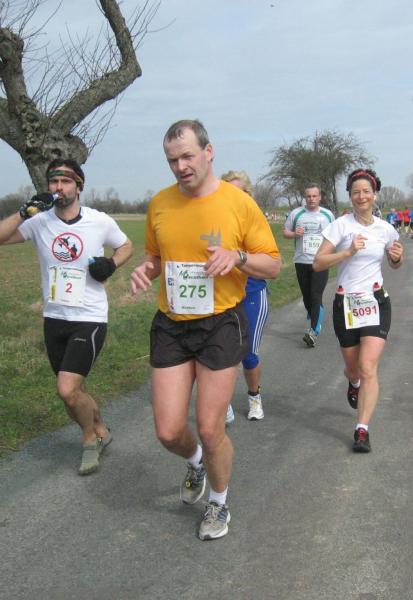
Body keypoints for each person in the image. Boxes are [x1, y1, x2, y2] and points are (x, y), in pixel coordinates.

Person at [129, 120, 280, 540]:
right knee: (168, 431)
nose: (180, 166)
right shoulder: (160, 204)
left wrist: (238, 258)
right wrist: (145, 270)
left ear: (208, 152)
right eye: (172, 160)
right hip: (172, 324)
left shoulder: (238, 203)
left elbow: (273, 263)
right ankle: (195, 461)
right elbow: (156, 257)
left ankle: (218, 503)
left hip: (219, 322)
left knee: (212, 428)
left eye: (187, 156)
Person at [0, 159, 133, 475]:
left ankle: (89, 441)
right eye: (53, 182)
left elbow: (126, 246)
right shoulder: (39, 222)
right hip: (54, 317)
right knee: (73, 392)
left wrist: (111, 264)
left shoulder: (98, 221)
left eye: (65, 182)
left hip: (90, 316)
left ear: (78, 186)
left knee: (66, 389)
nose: (58, 187)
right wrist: (24, 211)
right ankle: (101, 429)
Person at [313, 169, 403, 453]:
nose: (361, 196)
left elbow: (395, 263)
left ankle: (362, 429)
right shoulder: (340, 226)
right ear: (350, 197)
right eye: (356, 192)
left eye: (366, 191)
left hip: (375, 301)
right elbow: (318, 263)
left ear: (375, 195)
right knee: (354, 369)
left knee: (368, 367)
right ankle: (353, 382)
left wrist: (396, 258)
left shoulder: (386, 229)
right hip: (347, 304)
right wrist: (347, 252)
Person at [220, 170, 269, 423]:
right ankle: (223, 402)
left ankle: (254, 397)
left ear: (247, 194)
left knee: (248, 353)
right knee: (221, 353)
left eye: (238, 192)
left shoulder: (255, 221)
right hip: (222, 294)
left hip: (252, 292)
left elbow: (270, 264)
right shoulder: (214, 220)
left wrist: (240, 258)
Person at [283, 184, 335, 348]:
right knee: (307, 297)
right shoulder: (296, 213)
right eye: (309, 196)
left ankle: (313, 331)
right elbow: (285, 232)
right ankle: (314, 316)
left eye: (314, 196)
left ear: (320, 197)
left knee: (315, 294)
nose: (311, 199)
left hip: (321, 261)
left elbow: (335, 235)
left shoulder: (327, 215)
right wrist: (294, 234)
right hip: (301, 260)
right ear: (305, 197)